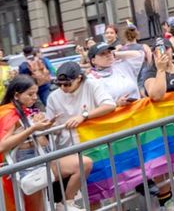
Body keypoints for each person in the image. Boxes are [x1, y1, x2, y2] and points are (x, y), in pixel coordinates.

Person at [1, 75, 92, 211]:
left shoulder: (26, 111)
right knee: (38, 208)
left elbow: (38, 139)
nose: (35, 97)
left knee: (84, 163)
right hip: (26, 167)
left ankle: (66, 203)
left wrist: (45, 127)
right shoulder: (8, 113)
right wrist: (33, 128)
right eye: (30, 94)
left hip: (44, 158)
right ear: (16, 95)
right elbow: (2, 145)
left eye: (36, 93)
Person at [139, 40, 174, 210]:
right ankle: (167, 202)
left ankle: (173, 197)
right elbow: (155, 95)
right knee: (161, 165)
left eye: (166, 48)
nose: (163, 53)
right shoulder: (149, 71)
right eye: (158, 50)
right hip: (160, 126)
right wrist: (161, 70)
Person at [44, 62, 116, 149]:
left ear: (79, 78)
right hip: (69, 145)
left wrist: (83, 116)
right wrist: (48, 125)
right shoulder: (53, 97)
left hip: (95, 139)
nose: (63, 87)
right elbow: (54, 130)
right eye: (59, 84)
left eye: (67, 84)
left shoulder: (91, 85)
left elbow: (109, 105)